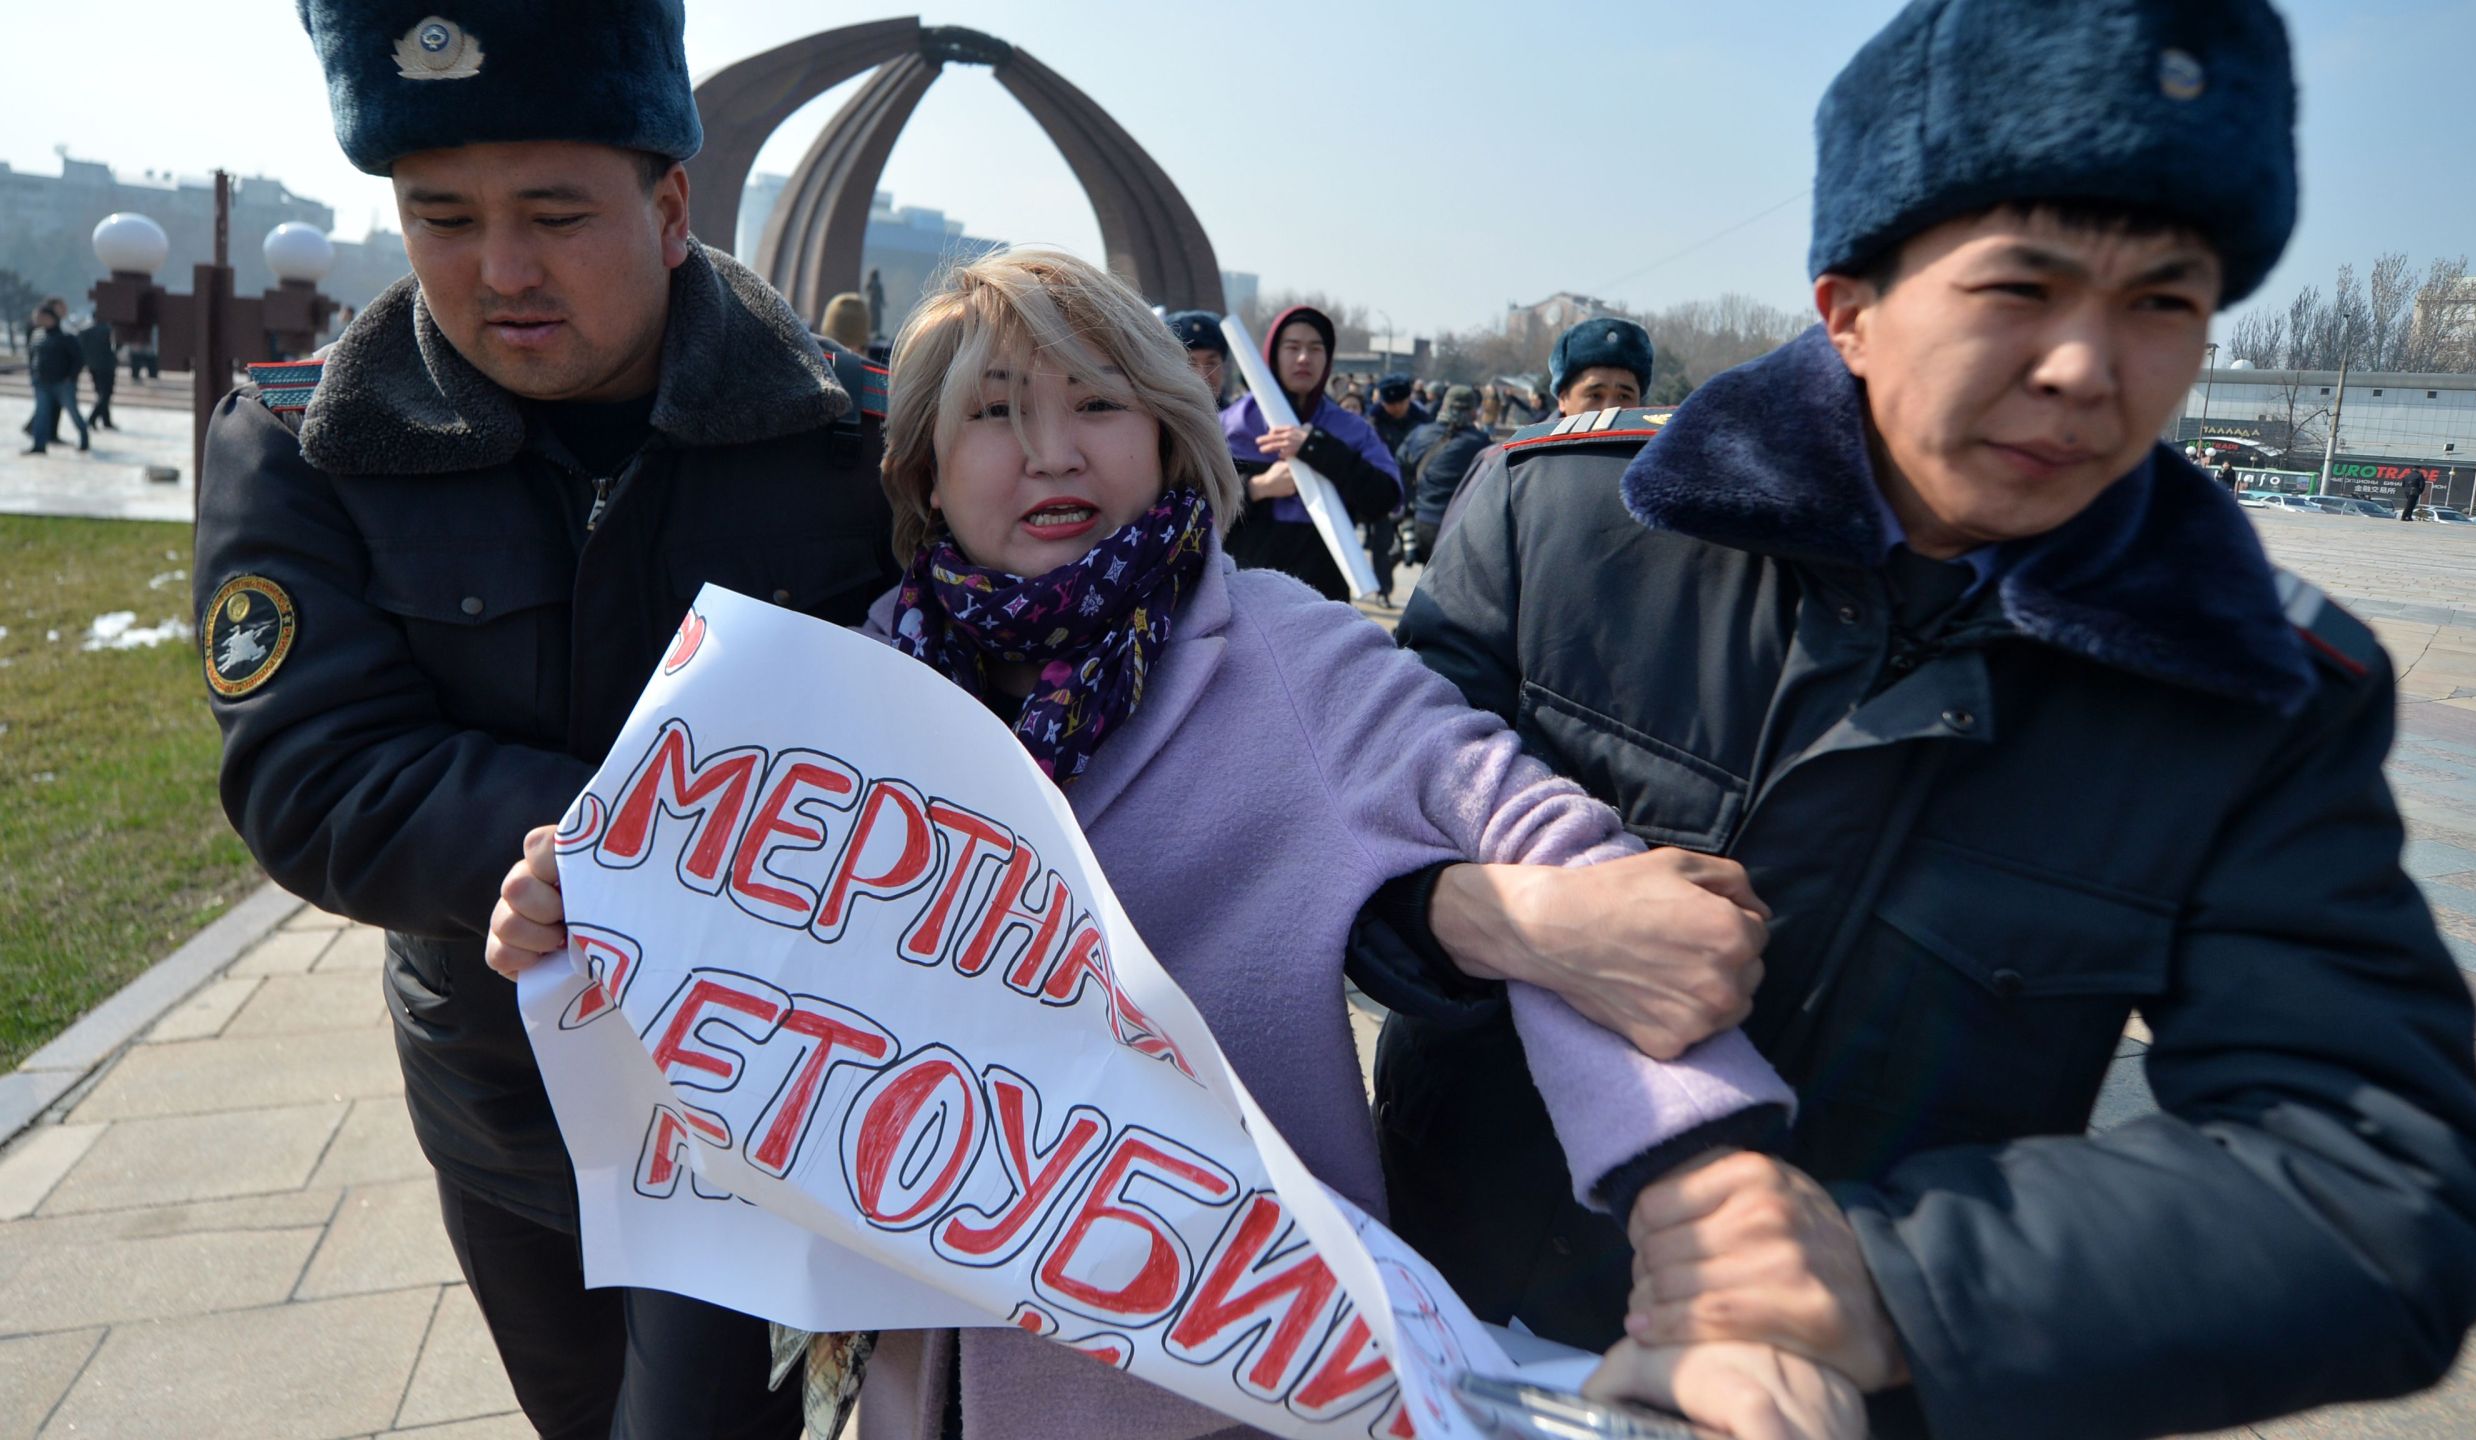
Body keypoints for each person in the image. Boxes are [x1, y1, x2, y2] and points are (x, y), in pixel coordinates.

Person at [1359, 2, 2476, 1435]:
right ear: (1849, 305)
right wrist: (1489, 918)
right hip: (1406, 1306)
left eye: (2163, 303)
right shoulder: (1563, 523)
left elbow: (2382, 1186)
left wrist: (1890, 1279)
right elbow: (1326, 851)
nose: (2089, 371)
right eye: (2019, 289)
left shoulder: (2251, 696)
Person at [484, 247, 1813, 1440]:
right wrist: (579, 921)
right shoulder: (850, 697)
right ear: (925, 471)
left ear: (1174, 440)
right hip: (920, 1382)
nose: (1053, 451)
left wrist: (1717, 1241)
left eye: (1099, 405)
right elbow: (737, 994)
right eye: (995, 413)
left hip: (1221, 1383)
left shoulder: (1289, 658)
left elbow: (1574, 888)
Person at [194, 3, 902, 1436]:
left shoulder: (854, 441)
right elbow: (313, 771)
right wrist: (603, 852)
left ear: (671, 204)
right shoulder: (306, 442)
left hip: (803, 1096)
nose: (499, 271)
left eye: (556, 214)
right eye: (440, 216)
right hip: (511, 1106)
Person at [1219, 305, 1403, 601]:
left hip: (1322, 596)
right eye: (1292, 347)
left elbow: (1385, 499)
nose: (1304, 358)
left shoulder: (1352, 430)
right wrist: (1256, 488)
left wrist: (1318, 448)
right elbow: (1191, 508)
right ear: (1274, 355)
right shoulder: (1230, 425)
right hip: (1242, 594)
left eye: (1315, 348)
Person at [1442, 317, 1664, 540]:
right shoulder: (1507, 465)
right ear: (1563, 398)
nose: (1610, 409)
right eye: (1595, 395)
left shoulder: (1657, 474)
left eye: (1624, 396)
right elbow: (1455, 562)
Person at [1397, 383, 1493, 564]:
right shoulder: (1480, 442)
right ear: (1473, 411)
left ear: (1444, 406)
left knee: (1427, 581)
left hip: (1422, 520)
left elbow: (1400, 467)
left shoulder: (1419, 434)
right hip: (1457, 526)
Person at [1365, 373, 1429, 601]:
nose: (1393, 408)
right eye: (1388, 404)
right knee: (1380, 544)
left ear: (1407, 400)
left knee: (1415, 544)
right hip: (1382, 490)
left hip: (1414, 491)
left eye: (1398, 403)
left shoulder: (1423, 421)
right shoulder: (1372, 424)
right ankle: (1383, 590)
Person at [22, 307, 90, 455]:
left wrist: (70, 378)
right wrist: (34, 374)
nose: (36, 320)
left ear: (49, 317)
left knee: (73, 412)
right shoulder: (37, 335)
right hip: (41, 383)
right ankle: (39, 445)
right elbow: (32, 356)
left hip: (62, 384)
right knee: (42, 414)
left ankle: (84, 439)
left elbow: (78, 360)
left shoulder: (66, 336)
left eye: (39, 316)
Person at [1160, 307, 1228, 400]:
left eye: (1211, 363)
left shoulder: (1243, 414)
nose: (1203, 376)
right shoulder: (1150, 414)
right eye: (1191, 364)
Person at [78, 314, 118, 431]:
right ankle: (93, 418)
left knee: (101, 393)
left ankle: (106, 420)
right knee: (105, 394)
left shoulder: (85, 331)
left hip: (92, 366)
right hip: (106, 366)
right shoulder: (108, 330)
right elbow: (116, 346)